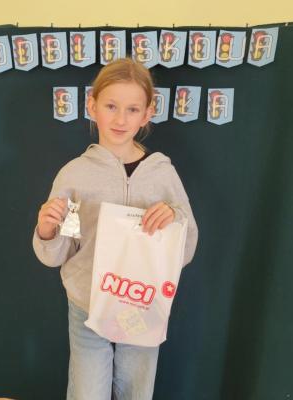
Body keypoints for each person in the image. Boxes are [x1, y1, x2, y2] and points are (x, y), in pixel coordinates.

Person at [32, 57, 198, 400]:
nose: (121, 119)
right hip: (87, 305)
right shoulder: (74, 174)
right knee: (87, 393)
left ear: (147, 114)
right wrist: (47, 230)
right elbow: (58, 253)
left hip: (142, 303)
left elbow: (186, 244)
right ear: (92, 106)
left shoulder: (162, 174)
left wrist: (173, 218)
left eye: (132, 109)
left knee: (136, 392)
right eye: (111, 106)